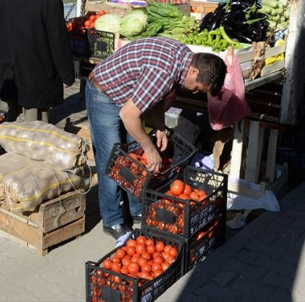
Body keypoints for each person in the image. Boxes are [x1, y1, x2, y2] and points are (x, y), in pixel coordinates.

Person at [86, 37, 226, 239]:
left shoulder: (184, 59)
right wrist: (150, 148)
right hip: (103, 94)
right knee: (112, 160)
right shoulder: (164, 72)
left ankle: (137, 209)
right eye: (197, 87)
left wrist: (159, 125)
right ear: (194, 71)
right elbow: (129, 114)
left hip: (126, 97)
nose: (194, 91)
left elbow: (157, 95)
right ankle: (112, 220)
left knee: (132, 157)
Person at [0, 0, 74, 122]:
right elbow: (59, 44)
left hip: (10, 73)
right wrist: (67, 76)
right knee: (35, 129)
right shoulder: (51, 2)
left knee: (8, 123)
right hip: (37, 79)